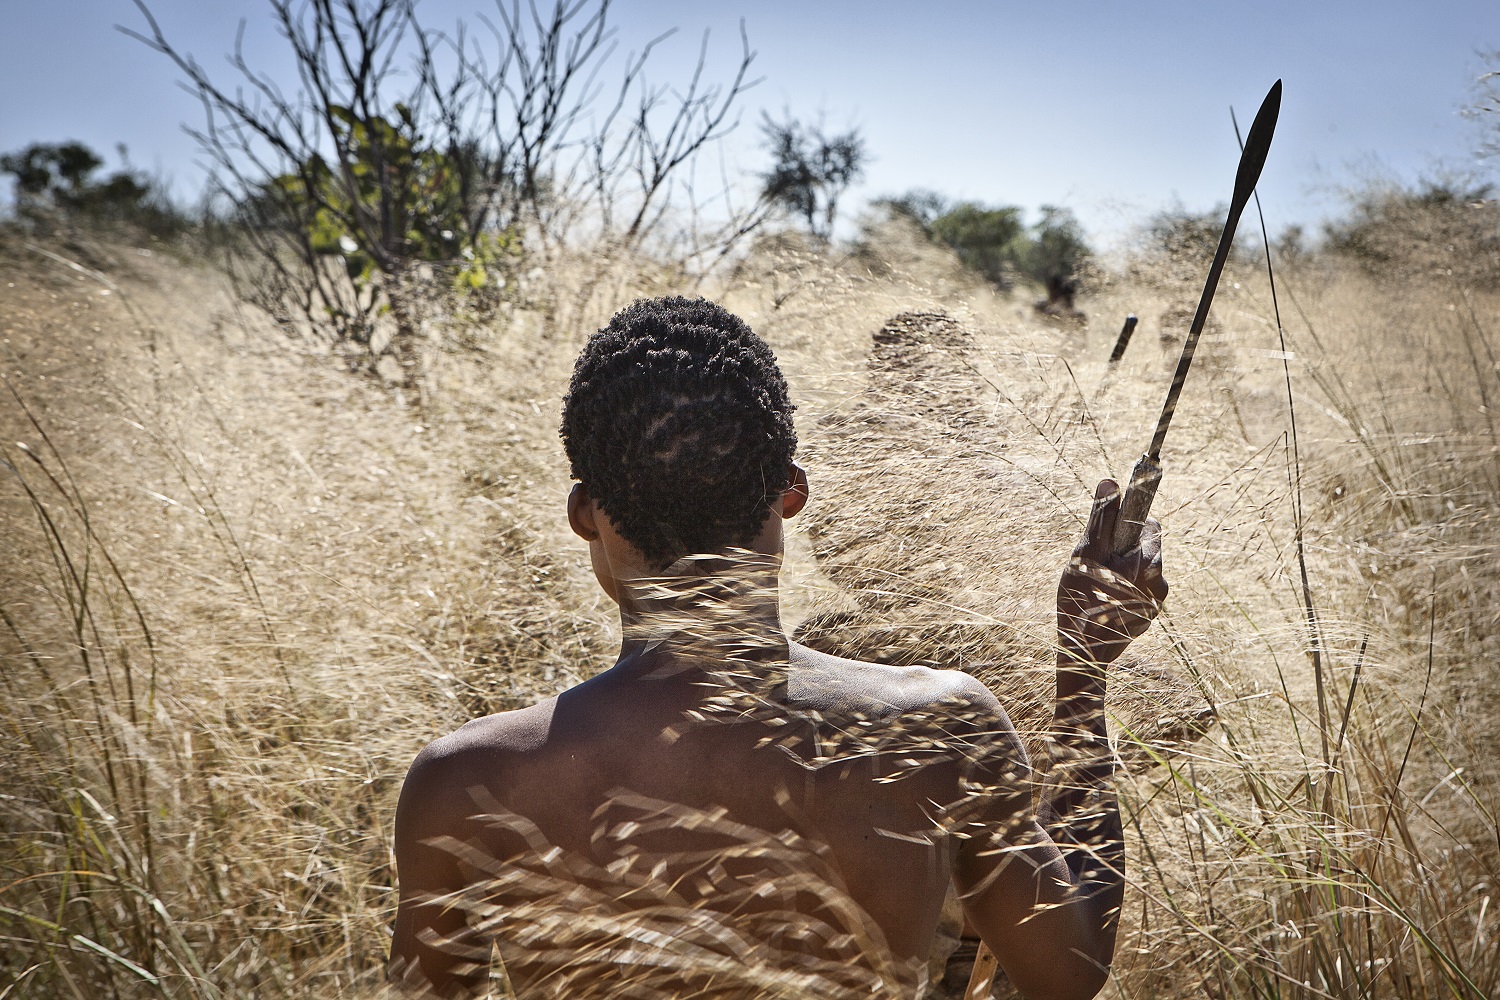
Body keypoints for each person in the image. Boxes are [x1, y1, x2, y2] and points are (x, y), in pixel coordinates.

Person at [388, 296, 1168, 1000]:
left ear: (584, 512)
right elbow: (1069, 973)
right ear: (791, 491)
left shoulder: (464, 780)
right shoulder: (941, 727)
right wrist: (1083, 672)